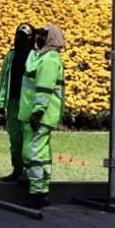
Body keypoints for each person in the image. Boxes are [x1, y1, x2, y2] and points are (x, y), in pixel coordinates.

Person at [18, 24, 66, 208]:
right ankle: (42, 190)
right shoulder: (44, 57)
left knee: (32, 153)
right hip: (38, 115)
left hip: (38, 116)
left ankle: (36, 193)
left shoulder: (49, 60)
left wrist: (37, 112)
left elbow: (44, 89)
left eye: (42, 35)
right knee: (42, 154)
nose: (38, 37)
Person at [0, 23, 36, 181]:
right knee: (15, 138)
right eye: (19, 36)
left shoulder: (35, 55)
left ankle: (29, 170)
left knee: (28, 138)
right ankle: (17, 169)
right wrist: (0, 102)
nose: (21, 39)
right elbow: (4, 80)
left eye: (25, 37)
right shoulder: (11, 55)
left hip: (28, 103)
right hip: (13, 102)